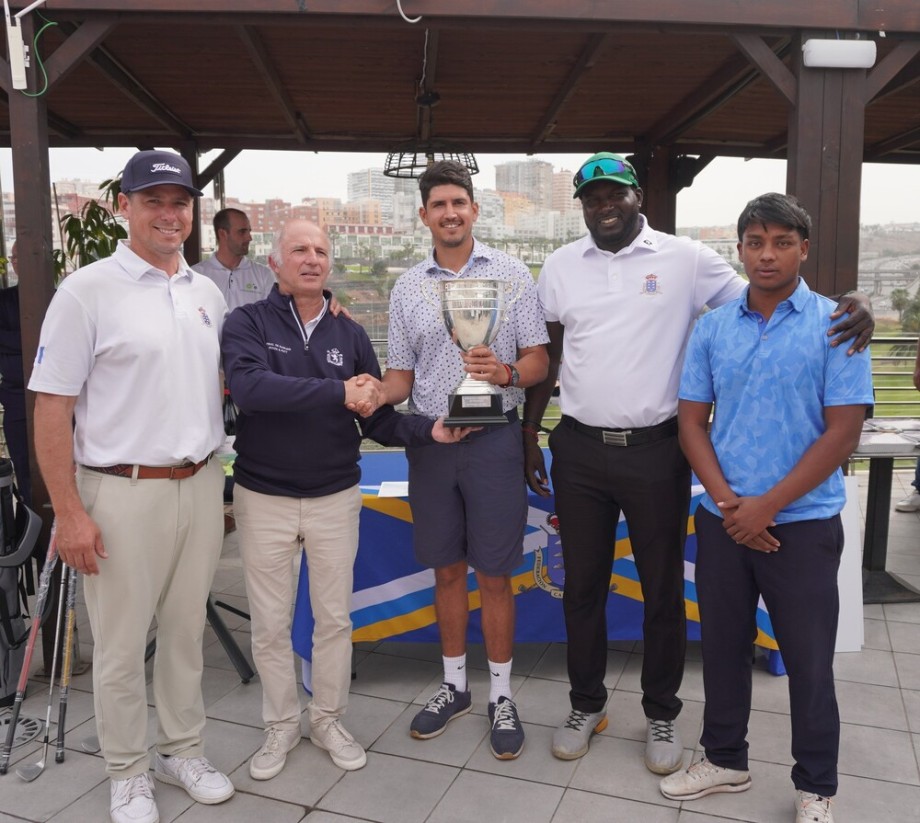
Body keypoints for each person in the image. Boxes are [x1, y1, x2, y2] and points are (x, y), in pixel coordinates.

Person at [522, 152, 874, 773]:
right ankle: (587, 703)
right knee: (581, 588)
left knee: (661, 591)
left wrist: (851, 303)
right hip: (576, 448)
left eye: (615, 195)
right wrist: (530, 432)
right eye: (592, 198)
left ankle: (661, 714)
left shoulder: (684, 259)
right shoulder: (559, 265)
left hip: (657, 449)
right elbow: (548, 354)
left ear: (637, 200)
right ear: (581, 206)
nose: (605, 206)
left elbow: (768, 293)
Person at [221, 218, 468, 779]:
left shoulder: (350, 334)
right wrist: (338, 392)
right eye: (299, 250)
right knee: (270, 622)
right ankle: (280, 726)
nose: (312, 259)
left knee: (333, 619)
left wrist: (426, 430)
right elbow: (253, 391)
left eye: (321, 251)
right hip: (264, 496)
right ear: (276, 263)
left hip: (335, 495)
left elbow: (376, 412)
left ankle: (327, 718)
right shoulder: (247, 322)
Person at [29, 150, 234, 823]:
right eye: (155, 200)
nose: (170, 213)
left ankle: (182, 748)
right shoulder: (86, 290)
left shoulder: (207, 291)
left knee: (182, 633)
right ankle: (127, 770)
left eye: (180, 200)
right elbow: (51, 408)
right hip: (119, 491)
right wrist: (68, 512)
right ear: (125, 207)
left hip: (199, 483)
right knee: (119, 643)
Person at [659, 193, 873, 823]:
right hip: (724, 519)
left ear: (804, 249)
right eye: (755, 242)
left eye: (782, 242)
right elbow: (692, 423)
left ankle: (816, 788)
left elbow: (842, 433)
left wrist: (766, 508)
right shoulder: (714, 327)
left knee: (808, 660)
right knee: (723, 648)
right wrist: (730, 504)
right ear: (741, 250)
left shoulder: (836, 323)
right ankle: (725, 758)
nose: (768, 254)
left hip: (803, 524)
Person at [379, 160, 549, 761]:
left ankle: (502, 694)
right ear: (423, 215)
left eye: (459, 202)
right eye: (438, 205)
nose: (450, 213)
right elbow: (401, 377)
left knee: (495, 571)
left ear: (475, 210)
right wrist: (366, 390)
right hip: (434, 443)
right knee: (446, 569)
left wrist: (504, 373)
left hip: (495, 439)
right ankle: (455, 686)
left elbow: (537, 361)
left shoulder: (510, 273)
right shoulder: (407, 287)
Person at [192, 207, 275, 311]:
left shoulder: (264, 275)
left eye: (249, 231)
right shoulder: (196, 275)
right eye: (242, 231)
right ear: (222, 234)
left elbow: (271, 317)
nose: (249, 238)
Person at [0, 242, 30, 504]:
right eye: (15, 256)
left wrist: (13, 345)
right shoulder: (3, 301)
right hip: (15, 399)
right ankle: (32, 539)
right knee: (23, 468)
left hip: (66, 402)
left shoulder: (60, 297)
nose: (18, 261)